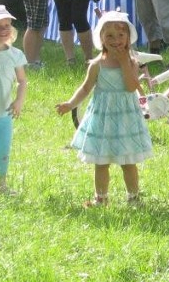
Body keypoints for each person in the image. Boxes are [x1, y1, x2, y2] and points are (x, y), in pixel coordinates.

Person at [55, 11, 153, 207]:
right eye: (109, 36)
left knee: (128, 161)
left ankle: (133, 197)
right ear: (101, 39)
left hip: (125, 117)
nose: (115, 40)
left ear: (128, 38)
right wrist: (71, 103)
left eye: (120, 35)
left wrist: (124, 62)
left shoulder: (132, 62)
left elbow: (131, 87)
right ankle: (101, 198)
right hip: (103, 116)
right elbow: (85, 88)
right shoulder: (97, 65)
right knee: (101, 161)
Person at [0, 4, 27, 195]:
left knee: (3, 149)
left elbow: (22, 81)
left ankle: (1, 184)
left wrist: (18, 101)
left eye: (7, 25)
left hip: (4, 112)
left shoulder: (15, 55)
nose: (4, 30)